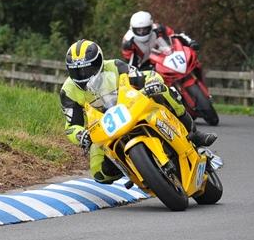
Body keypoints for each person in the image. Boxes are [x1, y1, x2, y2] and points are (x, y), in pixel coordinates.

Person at [60, 39, 217, 184]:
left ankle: (193, 132)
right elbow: (72, 126)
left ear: (99, 62)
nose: (83, 75)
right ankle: (130, 168)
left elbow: (142, 76)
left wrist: (152, 82)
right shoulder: (68, 91)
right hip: (103, 127)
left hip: (130, 106)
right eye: (77, 71)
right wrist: (81, 136)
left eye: (88, 69)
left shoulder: (115, 66)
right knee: (99, 174)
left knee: (162, 91)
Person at [122, 10, 200, 70]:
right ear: (132, 29)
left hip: (166, 56)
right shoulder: (128, 41)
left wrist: (190, 42)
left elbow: (175, 36)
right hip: (145, 64)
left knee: (196, 62)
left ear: (151, 26)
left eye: (145, 29)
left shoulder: (159, 28)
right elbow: (129, 61)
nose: (142, 32)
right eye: (138, 30)